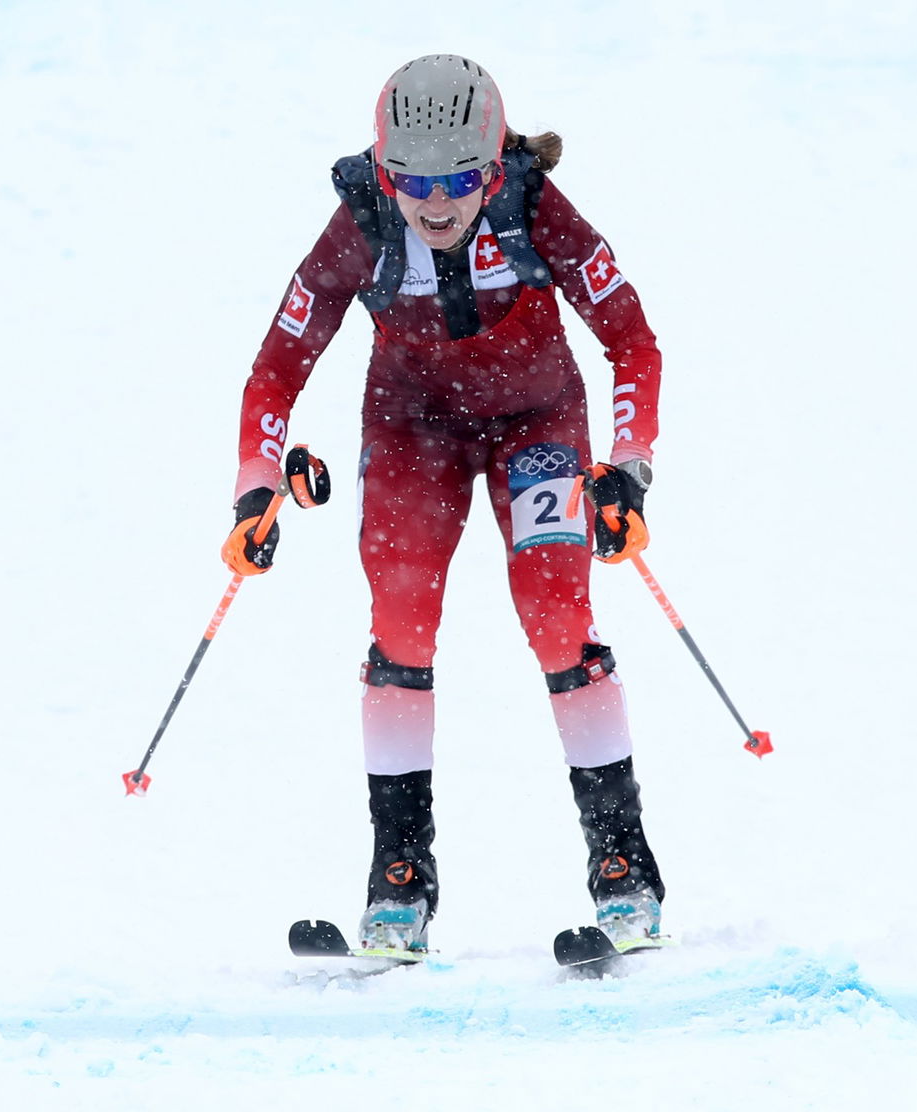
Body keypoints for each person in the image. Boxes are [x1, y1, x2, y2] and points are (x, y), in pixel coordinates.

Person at [223, 54, 666, 954]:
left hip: (538, 422)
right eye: (412, 180)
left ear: (496, 164)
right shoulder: (363, 220)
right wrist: (255, 488)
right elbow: (276, 367)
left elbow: (632, 340)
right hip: (410, 429)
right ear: (383, 167)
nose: (436, 203)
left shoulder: (535, 210)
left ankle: (623, 863)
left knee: (555, 613)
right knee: (401, 617)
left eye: (461, 180)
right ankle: (400, 876)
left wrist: (628, 467)